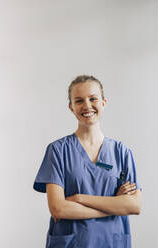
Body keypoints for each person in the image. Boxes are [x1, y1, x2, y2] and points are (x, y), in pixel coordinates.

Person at [33, 75, 142, 248]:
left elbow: (134, 205)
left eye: (93, 99)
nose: (87, 106)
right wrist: (114, 207)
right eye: (79, 101)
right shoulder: (58, 151)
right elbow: (58, 209)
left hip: (111, 242)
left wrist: (79, 198)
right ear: (71, 107)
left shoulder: (122, 152)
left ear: (104, 102)